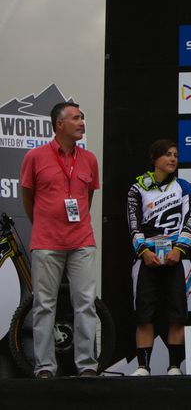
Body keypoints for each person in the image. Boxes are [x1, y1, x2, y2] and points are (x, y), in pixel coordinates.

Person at [20, 101, 100, 378]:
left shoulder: (89, 159)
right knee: (44, 305)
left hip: (82, 241)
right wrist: (44, 224)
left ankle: (87, 366)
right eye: (76, 118)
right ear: (59, 124)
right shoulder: (35, 156)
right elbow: (28, 197)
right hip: (46, 242)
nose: (81, 123)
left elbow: (87, 198)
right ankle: (44, 367)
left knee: (86, 304)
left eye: (82, 117)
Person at [126, 140, 191, 376]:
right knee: (144, 315)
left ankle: (174, 366)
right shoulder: (137, 188)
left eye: (175, 155)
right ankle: (143, 367)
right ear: (154, 159)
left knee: (177, 315)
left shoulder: (184, 187)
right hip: (146, 258)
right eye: (167, 154)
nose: (173, 159)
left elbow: (189, 220)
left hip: (177, 257)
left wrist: (179, 249)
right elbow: (133, 223)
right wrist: (144, 252)